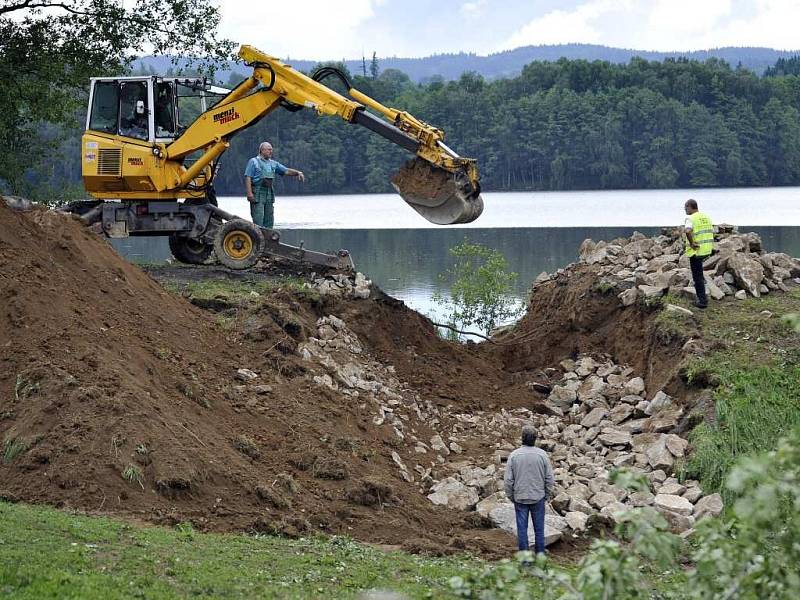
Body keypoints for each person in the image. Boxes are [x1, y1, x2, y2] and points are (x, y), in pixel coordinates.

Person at [504, 425, 554, 555]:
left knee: (522, 530)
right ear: (535, 439)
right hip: (538, 497)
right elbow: (549, 478)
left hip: (520, 497)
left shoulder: (514, 455)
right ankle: (540, 557)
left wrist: (511, 495)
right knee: (539, 530)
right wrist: (547, 494)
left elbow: (508, 480)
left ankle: (525, 560)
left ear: (522, 438)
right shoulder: (542, 455)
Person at [244, 142, 305, 229]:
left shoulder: (273, 163)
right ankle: (258, 239)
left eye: (271, 149)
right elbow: (248, 177)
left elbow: (286, 171)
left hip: (269, 193)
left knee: (269, 219)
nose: (271, 151)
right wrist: (249, 193)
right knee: (258, 219)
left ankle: (268, 239)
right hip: (257, 193)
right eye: (269, 149)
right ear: (262, 150)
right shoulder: (253, 161)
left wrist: (298, 173)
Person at [683, 199, 715, 309]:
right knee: (700, 274)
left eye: (685, 208)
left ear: (689, 207)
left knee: (697, 277)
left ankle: (702, 301)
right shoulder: (706, 217)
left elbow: (687, 231)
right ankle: (704, 295)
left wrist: (692, 243)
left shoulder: (690, 218)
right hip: (706, 250)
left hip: (696, 251)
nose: (685, 210)